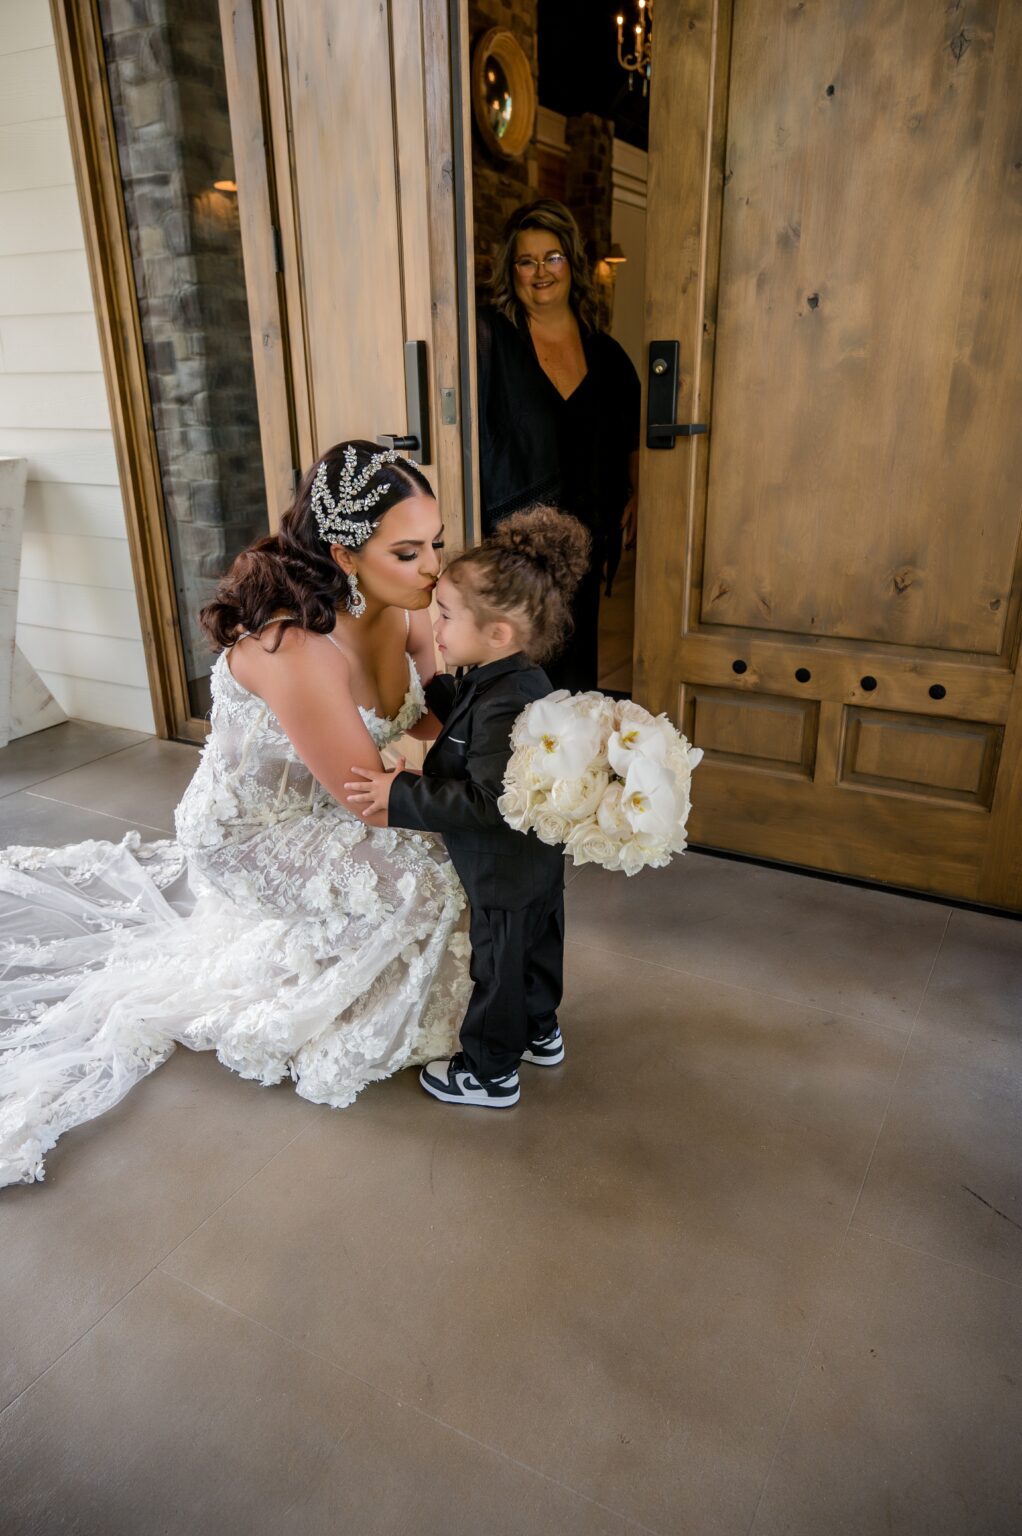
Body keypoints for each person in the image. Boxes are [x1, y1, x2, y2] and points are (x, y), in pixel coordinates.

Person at [0, 442, 472, 1189]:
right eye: (408, 551)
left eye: (437, 544)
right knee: (434, 874)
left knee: (460, 850)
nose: (433, 568)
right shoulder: (297, 648)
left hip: (341, 798)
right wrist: (455, 773)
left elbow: (445, 724)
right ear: (346, 556)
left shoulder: (408, 611)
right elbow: (375, 789)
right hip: (255, 834)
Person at [345, 506, 590, 1109]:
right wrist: (424, 679)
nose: (436, 627)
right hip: (534, 863)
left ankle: (490, 1072)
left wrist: (396, 794)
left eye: (447, 617)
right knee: (536, 952)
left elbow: (486, 801)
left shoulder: (504, 704)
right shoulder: (510, 679)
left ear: (498, 632)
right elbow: (461, 705)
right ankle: (542, 1033)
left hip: (501, 868)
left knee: (497, 971)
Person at [476, 198, 641, 692]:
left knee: (575, 664)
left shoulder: (605, 352)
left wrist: (638, 492)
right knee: (519, 666)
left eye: (552, 257)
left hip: (587, 533)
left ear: (571, 264)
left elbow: (635, 429)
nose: (540, 272)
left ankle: (568, 763)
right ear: (512, 270)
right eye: (526, 260)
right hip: (516, 537)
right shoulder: (491, 336)